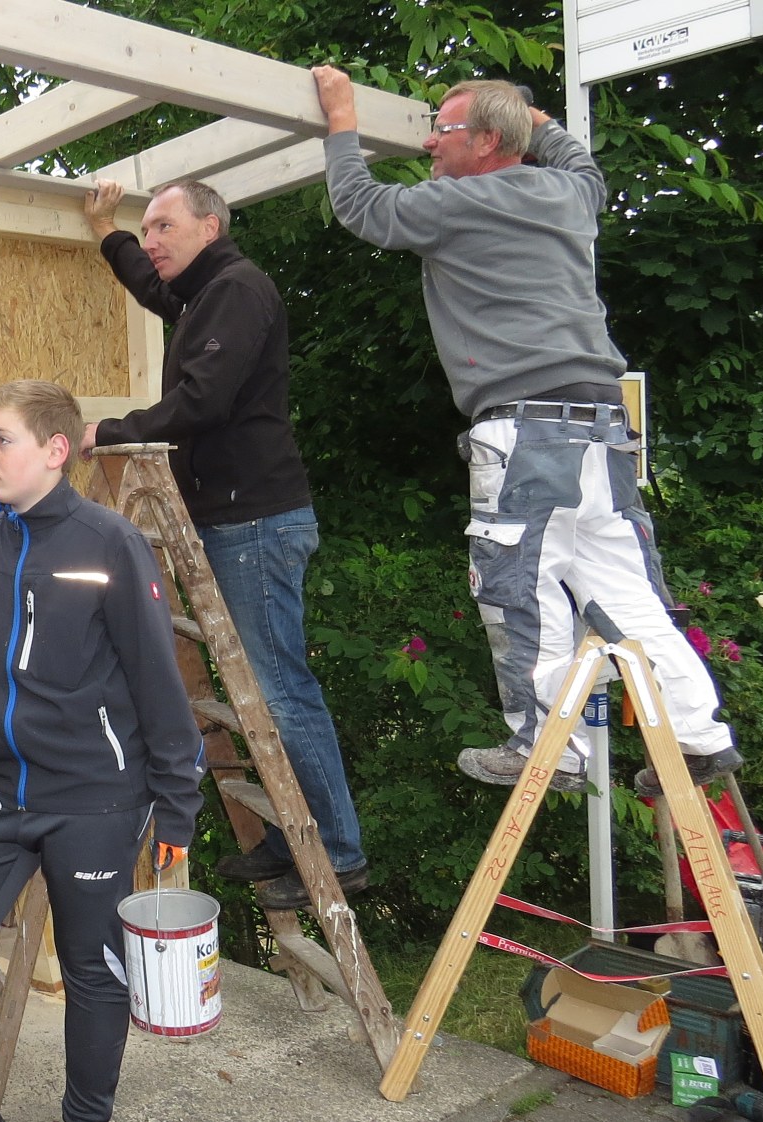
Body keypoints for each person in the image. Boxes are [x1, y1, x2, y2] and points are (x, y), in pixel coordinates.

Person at [310, 67, 739, 794]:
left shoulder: (459, 202)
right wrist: (540, 123)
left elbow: (361, 206)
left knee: (520, 588)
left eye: (443, 130)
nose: (429, 143)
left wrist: (342, 118)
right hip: (603, 428)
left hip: (528, 430)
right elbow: (586, 169)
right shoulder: (567, 195)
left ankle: (549, 748)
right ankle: (697, 735)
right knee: (624, 592)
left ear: (485, 142)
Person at [0, 380, 206, 1122]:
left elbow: (157, 680)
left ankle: (86, 1116)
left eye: (0, 439)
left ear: (55, 450)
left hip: (94, 799)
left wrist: (176, 805)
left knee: (92, 969)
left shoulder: (111, 543)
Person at [77, 177, 367, 911]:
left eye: (164, 227)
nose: (152, 242)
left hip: (255, 521)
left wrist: (110, 432)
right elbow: (153, 287)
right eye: (148, 230)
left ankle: (337, 853)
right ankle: (292, 837)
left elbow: (203, 399)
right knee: (264, 691)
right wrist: (109, 233)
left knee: (280, 690)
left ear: (210, 227)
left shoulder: (236, 289)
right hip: (236, 518)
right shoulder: (204, 294)